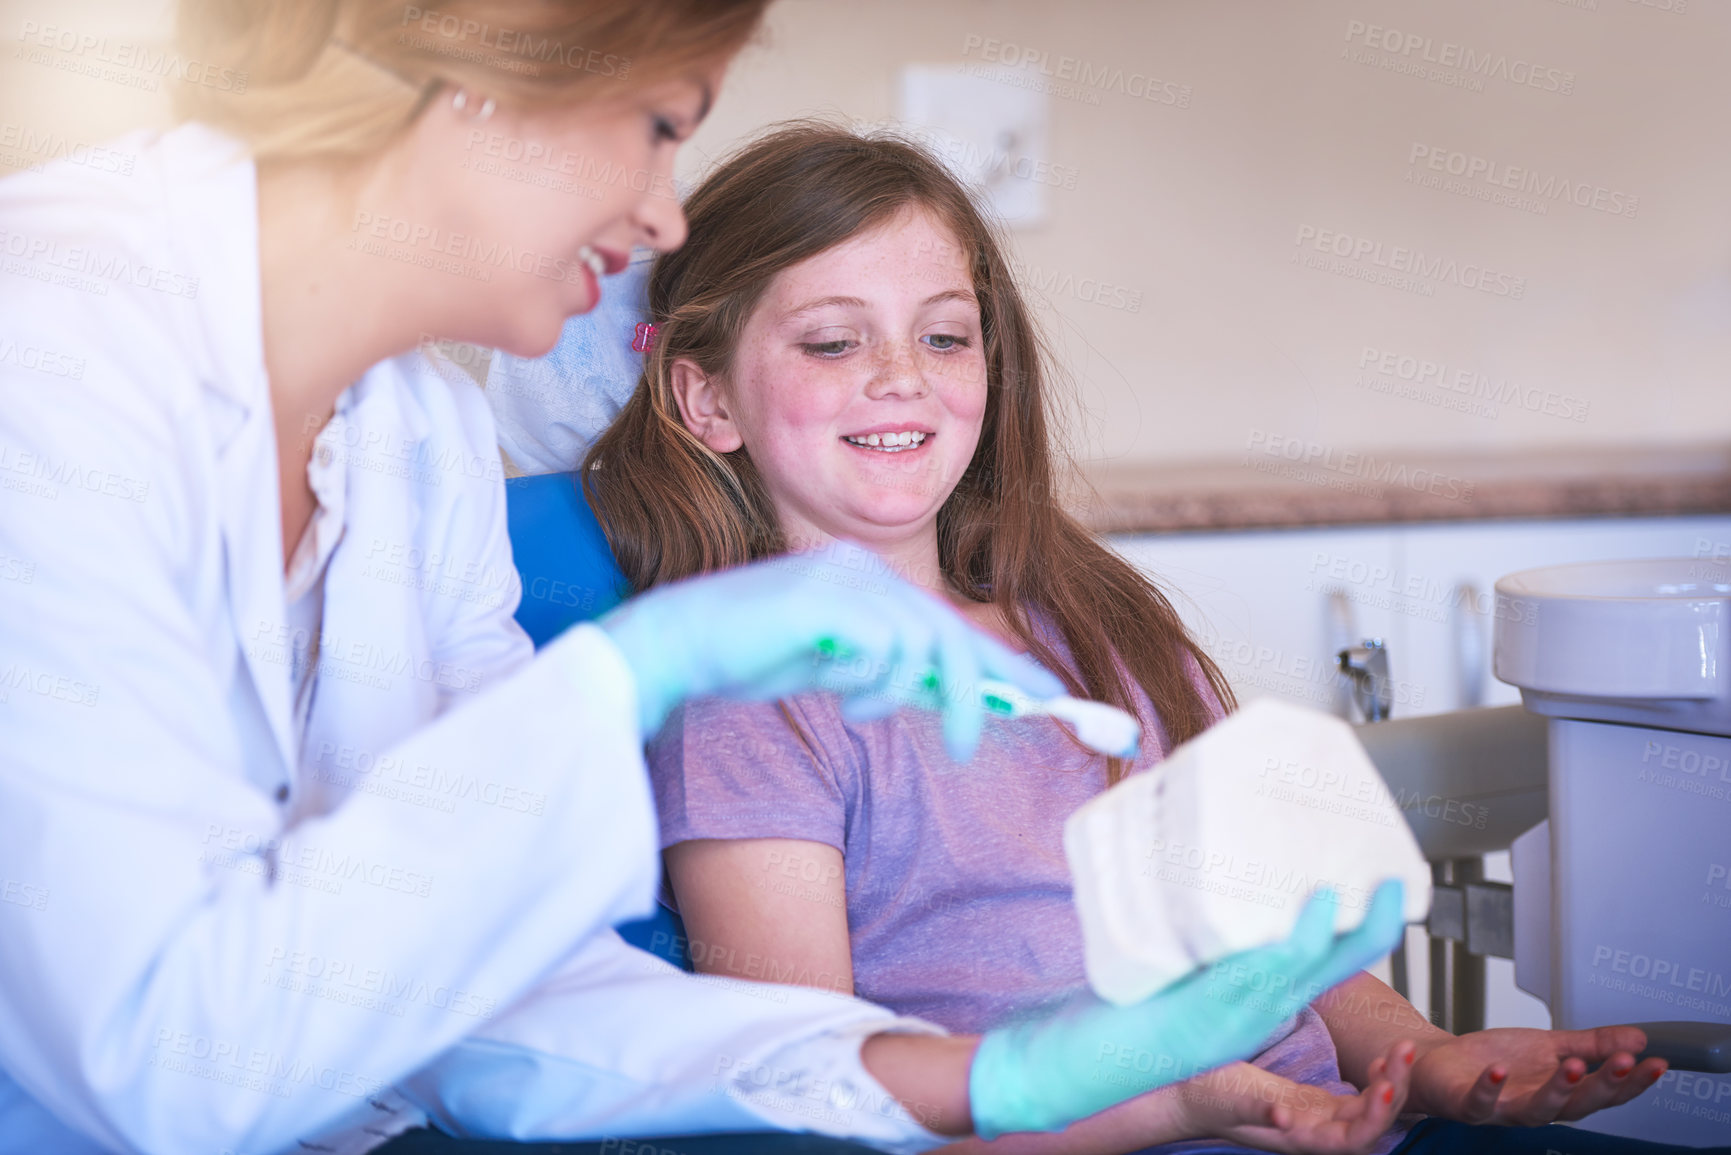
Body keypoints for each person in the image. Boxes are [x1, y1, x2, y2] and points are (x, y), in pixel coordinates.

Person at [0, 3, 1406, 1153]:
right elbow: (160, 1063)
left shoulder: (414, 436)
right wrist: (628, 676)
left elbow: (513, 988)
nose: (666, 216)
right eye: (661, 124)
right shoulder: (51, 353)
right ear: (482, 74)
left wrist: (975, 1083)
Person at [584, 124, 1692, 1155]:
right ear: (705, 398)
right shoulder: (745, 703)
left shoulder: (1097, 628)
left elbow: (1280, 928)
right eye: (833, 340)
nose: (903, 376)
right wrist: (1176, 1100)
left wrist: (1430, 1059)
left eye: (944, 335)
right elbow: (822, 1100)